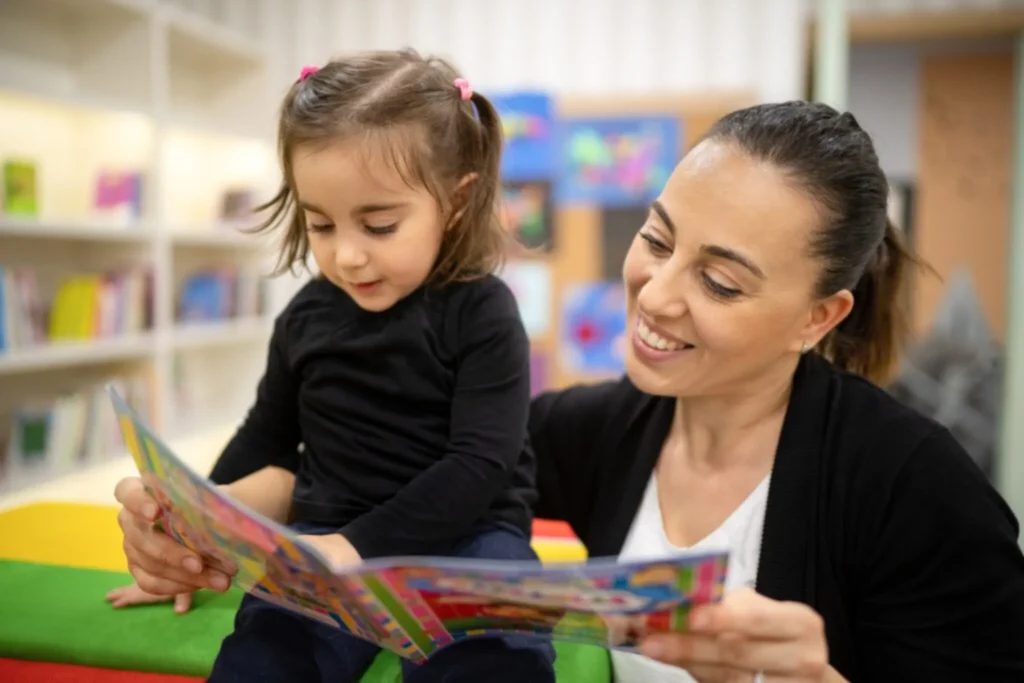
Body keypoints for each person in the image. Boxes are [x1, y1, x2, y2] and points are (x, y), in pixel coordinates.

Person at [111, 100, 1024, 682]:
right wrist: (194, 524)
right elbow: (343, 462)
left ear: (818, 317)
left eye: (720, 281)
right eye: (657, 240)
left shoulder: (917, 488)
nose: (656, 294)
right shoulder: (590, 431)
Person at [112, 49, 557, 682]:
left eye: (379, 226)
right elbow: (265, 436)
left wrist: (358, 547)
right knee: (268, 655)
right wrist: (195, 536)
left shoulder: (483, 311)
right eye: (320, 224)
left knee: (495, 660)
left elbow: (479, 464)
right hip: (326, 536)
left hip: (470, 542)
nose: (347, 255)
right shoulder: (307, 316)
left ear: (456, 202)